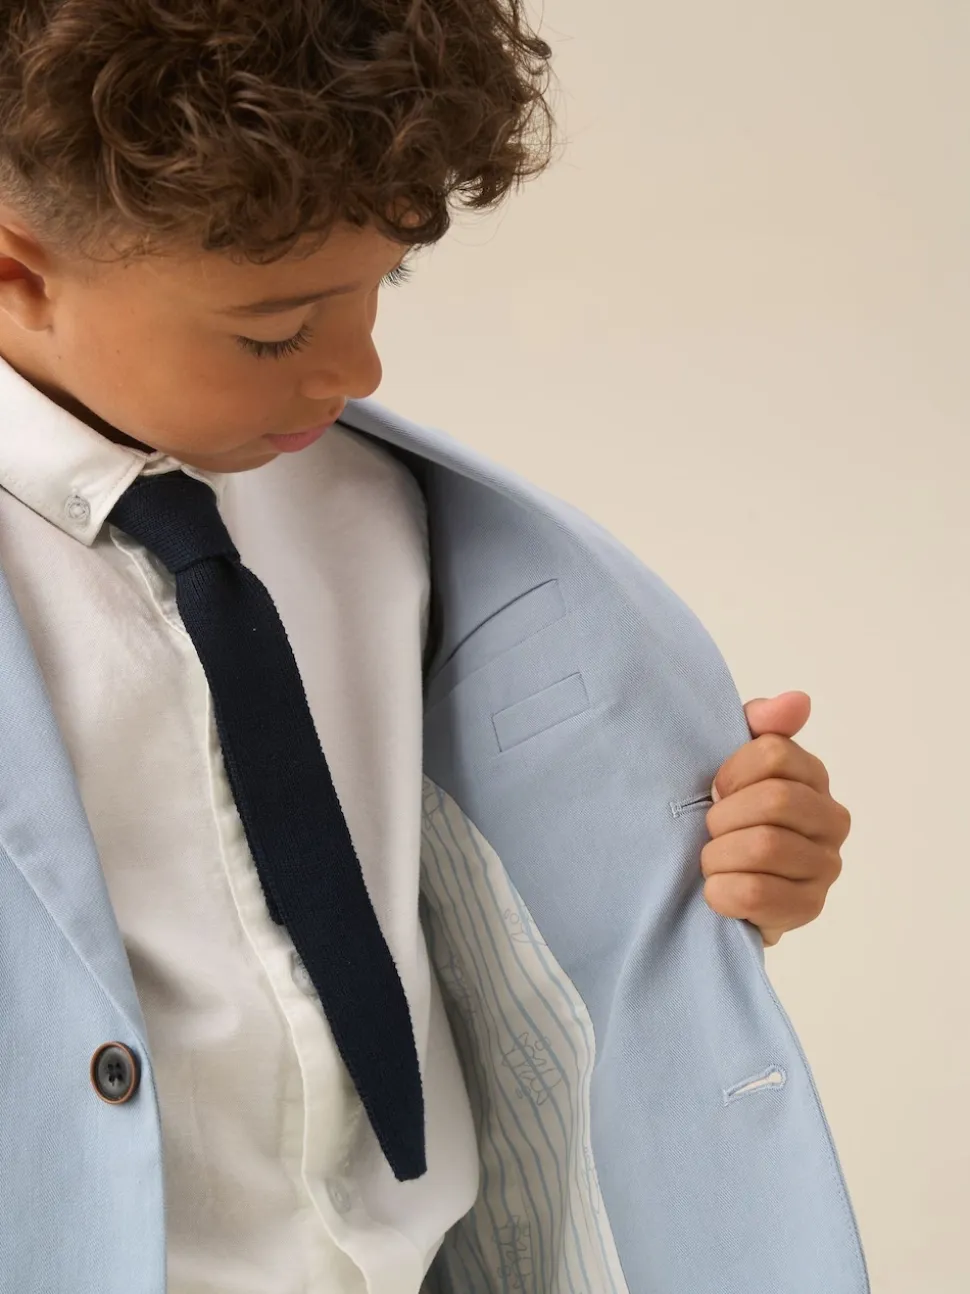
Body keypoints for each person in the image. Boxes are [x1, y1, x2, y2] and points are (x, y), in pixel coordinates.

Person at [0, 3, 861, 1293]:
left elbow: (503, 919)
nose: (356, 367)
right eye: (275, 330)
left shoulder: (385, 519)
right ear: (18, 274)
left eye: (383, 283)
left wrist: (714, 872)